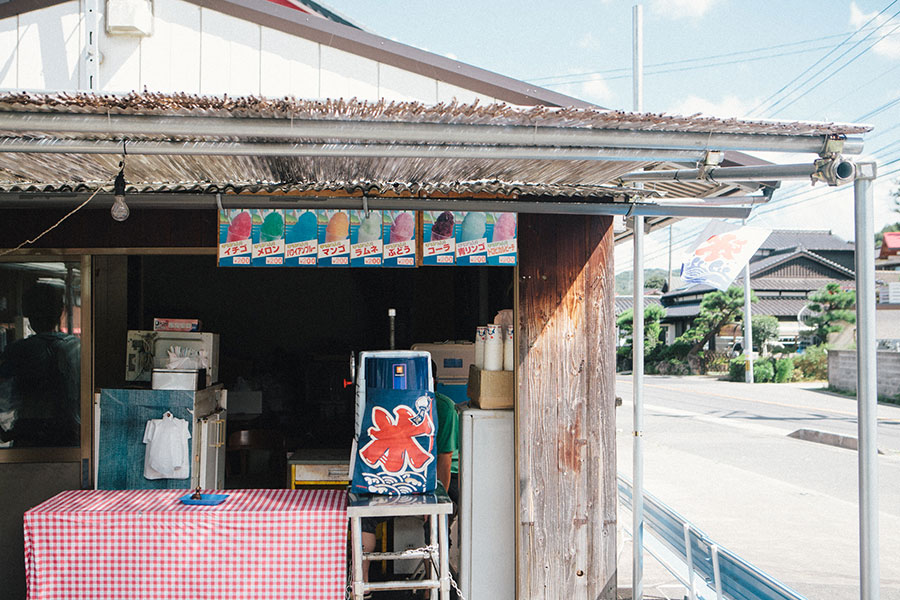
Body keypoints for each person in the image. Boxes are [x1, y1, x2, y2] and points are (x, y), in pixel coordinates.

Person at [359, 360, 460, 592]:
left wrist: (434, 503)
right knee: (365, 518)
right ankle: (361, 588)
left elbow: (444, 461)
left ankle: (432, 591)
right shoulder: (385, 405)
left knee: (437, 523)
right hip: (401, 476)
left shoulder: (443, 407)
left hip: (440, 478)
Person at [0, 282, 80, 447]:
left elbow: (4, 395)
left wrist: (6, 432)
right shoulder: (78, 349)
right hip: (69, 435)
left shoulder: (18, 351)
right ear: (61, 311)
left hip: (29, 435)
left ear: (28, 313)